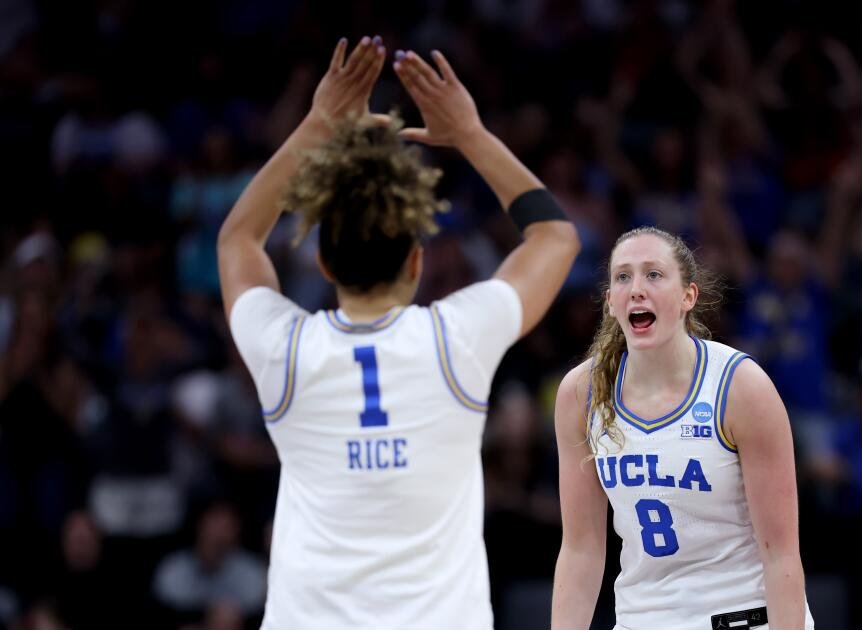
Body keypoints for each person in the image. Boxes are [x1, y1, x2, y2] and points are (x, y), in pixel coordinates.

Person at [217, 36, 579, 628]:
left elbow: (238, 238)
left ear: (325, 266)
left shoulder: (285, 350)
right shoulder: (456, 339)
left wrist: (317, 124)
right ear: (417, 260)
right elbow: (554, 236)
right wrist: (469, 133)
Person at [551, 226, 814, 629]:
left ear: (688, 296)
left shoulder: (740, 388)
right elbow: (581, 550)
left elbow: (780, 554)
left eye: (653, 274)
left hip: (740, 617)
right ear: (610, 303)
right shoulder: (581, 394)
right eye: (623, 276)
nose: (637, 288)